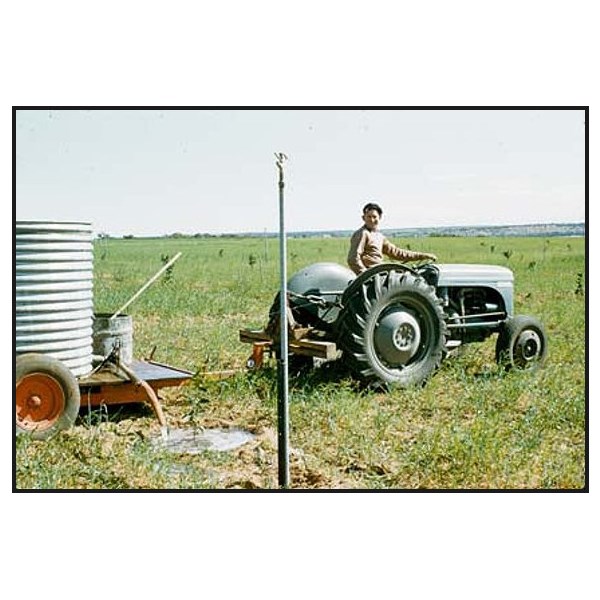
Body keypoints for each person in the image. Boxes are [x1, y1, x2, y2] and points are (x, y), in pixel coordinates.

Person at [347, 202, 437, 275]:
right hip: (371, 275)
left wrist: (423, 256)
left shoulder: (379, 236)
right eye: (369, 217)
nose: (371, 220)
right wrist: (364, 276)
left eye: (374, 217)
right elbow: (353, 259)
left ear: (380, 217)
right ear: (363, 218)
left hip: (378, 273)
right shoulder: (363, 234)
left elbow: (397, 253)